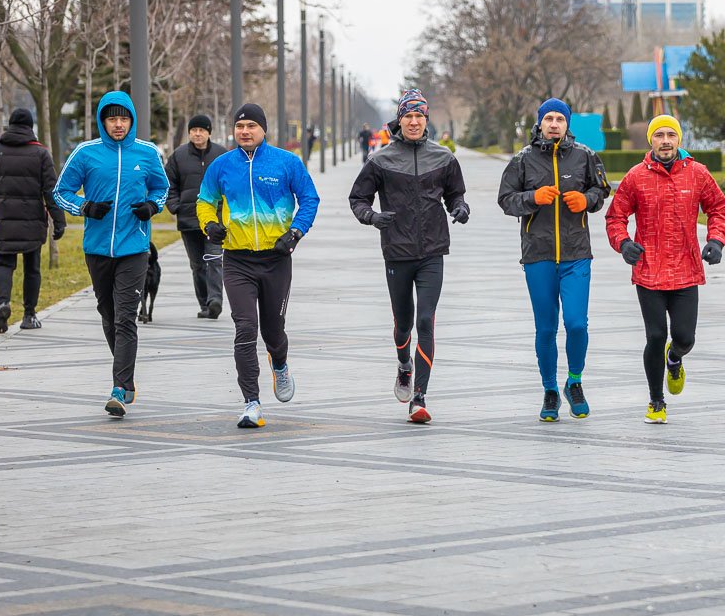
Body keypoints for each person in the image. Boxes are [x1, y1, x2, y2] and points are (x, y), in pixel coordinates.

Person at [348, 89, 469, 424]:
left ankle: (419, 397)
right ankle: (404, 364)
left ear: (426, 120)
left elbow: (455, 194)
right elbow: (358, 198)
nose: (414, 122)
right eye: (408, 116)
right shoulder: (381, 160)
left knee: (425, 320)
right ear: (399, 121)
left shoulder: (443, 158)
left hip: (433, 252)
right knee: (403, 325)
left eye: (419, 116)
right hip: (397, 253)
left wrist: (459, 208)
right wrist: (373, 217)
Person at [197, 103, 319, 429]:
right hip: (237, 259)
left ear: (264, 129)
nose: (245, 131)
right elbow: (205, 200)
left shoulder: (286, 162)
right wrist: (209, 225)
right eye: (240, 126)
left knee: (273, 331)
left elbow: (309, 198)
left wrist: (295, 232)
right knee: (245, 328)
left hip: (276, 259)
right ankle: (251, 402)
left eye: (252, 125)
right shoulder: (222, 165)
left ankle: (279, 365)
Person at [605, 115, 725, 424]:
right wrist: (622, 243)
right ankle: (656, 401)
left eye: (670, 135)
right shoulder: (636, 177)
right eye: (659, 135)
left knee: (684, 337)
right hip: (649, 270)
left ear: (679, 140)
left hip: (686, 269)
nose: (665, 141)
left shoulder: (697, 173)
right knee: (656, 335)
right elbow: (615, 216)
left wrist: (716, 240)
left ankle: (675, 359)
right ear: (651, 141)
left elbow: (718, 207)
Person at [54, 91, 170, 418]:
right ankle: (128, 377)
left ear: (132, 120)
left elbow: (162, 190)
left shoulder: (146, 153)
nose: (118, 124)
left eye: (124, 119)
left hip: (135, 247)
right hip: (97, 248)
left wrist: (151, 206)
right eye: (112, 118)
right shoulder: (86, 153)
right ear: (103, 121)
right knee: (107, 313)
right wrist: (85, 207)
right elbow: (60, 193)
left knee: (125, 317)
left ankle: (119, 388)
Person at [498, 98, 609, 421]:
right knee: (545, 328)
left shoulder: (585, 156)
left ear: (567, 123)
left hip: (576, 254)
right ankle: (549, 390)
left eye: (560, 118)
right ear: (540, 123)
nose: (555, 123)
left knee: (576, 324)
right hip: (538, 254)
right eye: (549, 118)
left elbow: (602, 190)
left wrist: (586, 199)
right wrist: (532, 198)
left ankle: (574, 382)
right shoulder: (523, 160)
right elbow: (505, 200)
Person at [0, 108, 66, 333]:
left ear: (10, 126)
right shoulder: (41, 154)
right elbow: (51, 191)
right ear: (30, 127)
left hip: (2, 222)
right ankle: (29, 315)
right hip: (32, 222)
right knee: (32, 268)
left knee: (4, 263)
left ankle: (4, 302)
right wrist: (59, 221)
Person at [165, 114, 227, 319]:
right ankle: (205, 303)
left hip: (214, 221)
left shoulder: (221, 155)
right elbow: (168, 184)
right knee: (198, 265)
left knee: (215, 259)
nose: (197, 134)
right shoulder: (178, 156)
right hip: (189, 220)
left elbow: (232, 183)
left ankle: (215, 300)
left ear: (209, 132)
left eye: (201, 130)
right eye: (193, 130)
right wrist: (175, 207)